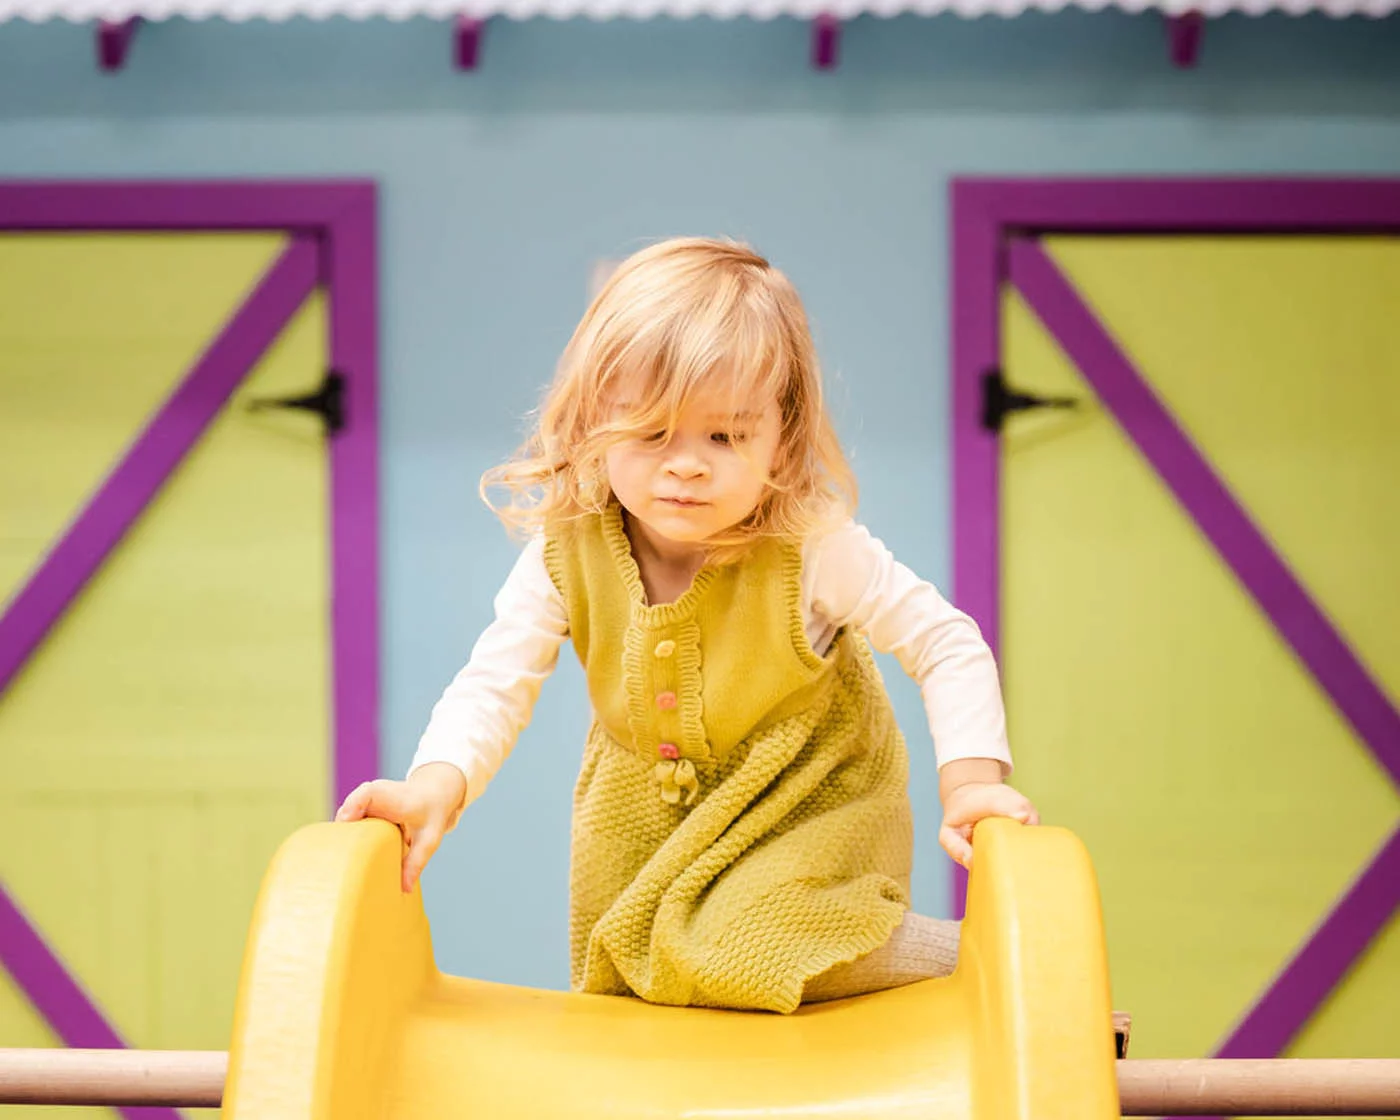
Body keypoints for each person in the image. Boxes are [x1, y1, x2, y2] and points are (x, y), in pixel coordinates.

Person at [335, 236, 1038, 1014]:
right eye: (651, 433)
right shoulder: (566, 551)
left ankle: (975, 960)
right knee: (642, 970)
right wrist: (436, 786)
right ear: (592, 424)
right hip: (640, 821)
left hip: (802, 802)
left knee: (746, 937)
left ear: (784, 434)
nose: (687, 465)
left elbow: (945, 641)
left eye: (726, 436)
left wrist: (971, 786)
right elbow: (495, 682)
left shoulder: (807, 546)